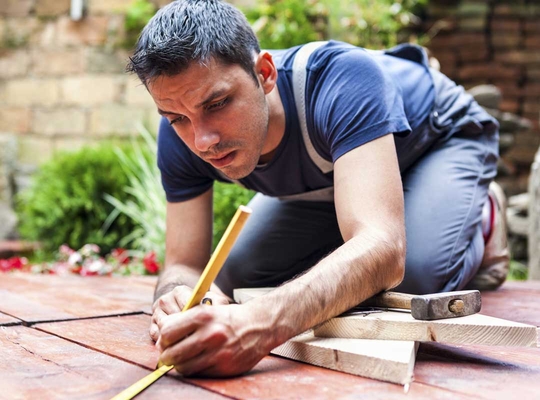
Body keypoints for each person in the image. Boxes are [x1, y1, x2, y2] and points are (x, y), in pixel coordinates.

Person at [126, 0, 509, 377]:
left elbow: (385, 250)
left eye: (218, 103)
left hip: (438, 140)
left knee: (409, 274)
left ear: (264, 73)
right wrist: (176, 298)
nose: (202, 139)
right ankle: (359, 215)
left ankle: (483, 212)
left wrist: (258, 323)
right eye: (177, 117)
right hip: (338, 176)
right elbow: (184, 264)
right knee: (237, 277)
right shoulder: (181, 133)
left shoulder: (341, 79)